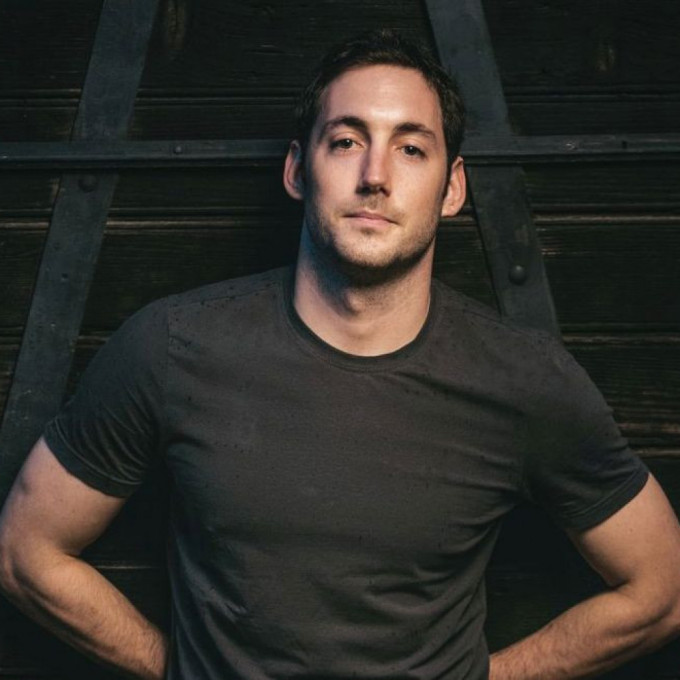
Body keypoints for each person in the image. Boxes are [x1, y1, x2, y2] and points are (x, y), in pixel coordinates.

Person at [0, 28, 679, 680]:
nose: (375, 176)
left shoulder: (524, 379)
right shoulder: (170, 347)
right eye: (347, 140)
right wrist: (183, 670)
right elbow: (24, 552)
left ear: (452, 188)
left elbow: (664, 589)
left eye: (411, 149)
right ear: (299, 168)